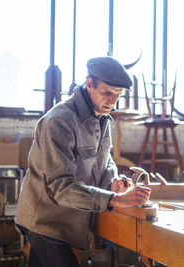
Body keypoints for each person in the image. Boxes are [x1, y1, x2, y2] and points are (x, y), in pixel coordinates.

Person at [15, 56, 152, 267]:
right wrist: (114, 199)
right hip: (45, 222)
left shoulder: (103, 118)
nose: (112, 101)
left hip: (68, 223)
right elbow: (61, 187)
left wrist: (113, 182)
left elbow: (106, 162)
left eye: (117, 95)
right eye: (107, 93)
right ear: (89, 84)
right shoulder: (59, 121)